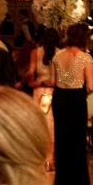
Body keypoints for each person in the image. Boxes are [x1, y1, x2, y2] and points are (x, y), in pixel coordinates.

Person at [52, 24, 93, 185]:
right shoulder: (86, 58)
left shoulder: (57, 55)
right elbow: (91, 86)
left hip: (60, 98)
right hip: (77, 100)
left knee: (62, 145)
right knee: (77, 147)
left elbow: (54, 81)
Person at [29, 27, 60, 171]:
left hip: (39, 90)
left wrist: (34, 82)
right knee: (51, 124)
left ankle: (39, 158)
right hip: (53, 92)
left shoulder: (35, 52)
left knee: (39, 124)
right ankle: (50, 159)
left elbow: (30, 73)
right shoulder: (60, 53)